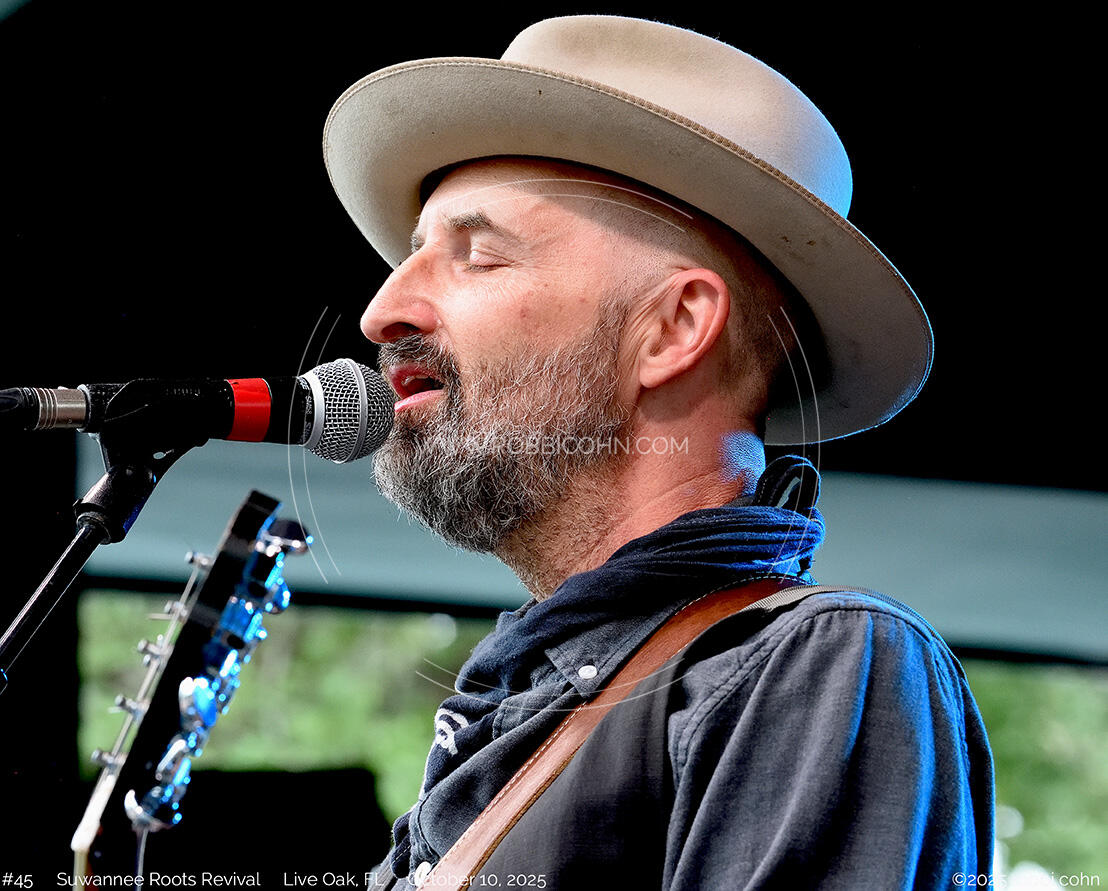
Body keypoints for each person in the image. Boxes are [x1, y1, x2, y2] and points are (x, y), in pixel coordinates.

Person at [324, 15, 995, 890]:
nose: (381, 313)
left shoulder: (816, 663)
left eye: (478, 255)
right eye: (414, 253)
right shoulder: (516, 706)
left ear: (674, 329)